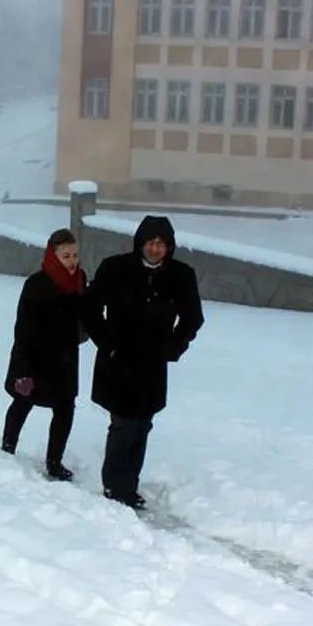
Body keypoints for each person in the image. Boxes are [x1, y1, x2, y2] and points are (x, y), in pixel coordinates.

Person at [82, 215, 205, 510]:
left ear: (169, 247)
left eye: (161, 244)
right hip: (119, 359)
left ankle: (130, 485)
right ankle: (114, 486)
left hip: (152, 362)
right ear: (140, 243)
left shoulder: (181, 275)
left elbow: (193, 318)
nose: (155, 248)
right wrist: (107, 341)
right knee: (123, 423)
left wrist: (173, 347)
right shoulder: (115, 268)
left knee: (143, 424)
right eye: (150, 242)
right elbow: (89, 307)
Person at [1, 228, 88, 482]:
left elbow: (87, 313)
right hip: (35, 356)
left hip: (65, 358)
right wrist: (23, 369)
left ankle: (54, 462)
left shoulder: (80, 279)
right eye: (65, 255)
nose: (72, 260)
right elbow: (23, 328)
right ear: (53, 255)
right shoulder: (37, 284)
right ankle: (7, 448)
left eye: (74, 254)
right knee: (23, 401)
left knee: (65, 408)